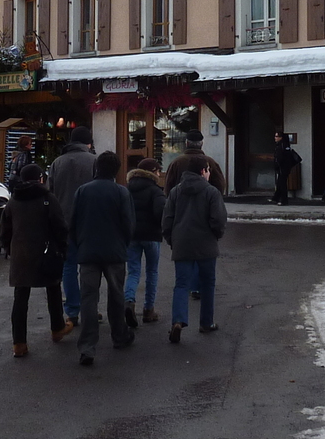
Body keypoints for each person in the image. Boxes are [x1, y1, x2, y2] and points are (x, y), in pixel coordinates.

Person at [0, 163, 73, 357]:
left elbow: (4, 229)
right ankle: (57, 328)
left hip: (21, 254)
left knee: (21, 298)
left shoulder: (14, 199)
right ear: (40, 178)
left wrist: (10, 248)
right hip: (46, 252)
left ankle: (19, 343)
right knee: (53, 289)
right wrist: (62, 247)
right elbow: (60, 226)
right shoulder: (48, 198)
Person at [68, 151, 135, 366]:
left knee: (88, 298)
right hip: (114, 252)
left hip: (88, 251)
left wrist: (79, 244)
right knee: (116, 296)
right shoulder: (121, 192)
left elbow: (74, 222)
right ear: (116, 170)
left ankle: (87, 346)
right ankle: (119, 336)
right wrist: (123, 243)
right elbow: (128, 224)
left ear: (96, 168)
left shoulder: (82, 191)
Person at [162, 160, 227, 343]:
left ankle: (178, 320)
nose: (209, 174)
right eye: (208, 170)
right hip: (206, 244)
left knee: (181, 284)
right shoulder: (211, 192)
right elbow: (219, 220)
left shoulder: (175, 191)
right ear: (202, 171)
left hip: (182, 243)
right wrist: (215, 236)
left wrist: (171, 240)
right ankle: (206, 322)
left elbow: (167, 220)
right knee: (207, 284)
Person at [46, 127, 97, 324]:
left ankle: (72, 311)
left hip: (64, 221)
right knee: (90, 267)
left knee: (69, 266)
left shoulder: (57, 162)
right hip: (90, 222)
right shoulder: (94, 161)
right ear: (88, 143)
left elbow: (50, 192)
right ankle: (90, 309)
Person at [124, 156, 165, 324]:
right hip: (151, 236)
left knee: (133, 271)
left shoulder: (126, 189)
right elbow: (161, 213)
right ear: (153, 172)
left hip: (132, 236)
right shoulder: (156, 190)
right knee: (152, 272)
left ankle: (129, 301)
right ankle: (149, 310)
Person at [164, 130, 226, 194]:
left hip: (181, 202)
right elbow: (220, 184)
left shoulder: (176, 162)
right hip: (205, 202)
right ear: (202, 144)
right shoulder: (210, 162)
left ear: (187, 143)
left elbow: (168, 186)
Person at [272, 131, 302, 205]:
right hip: (286, 167)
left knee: (282, 184)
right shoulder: (285, 145)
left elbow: (280, 158)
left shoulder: (281, 146)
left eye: (276, 136)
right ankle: (275, 198)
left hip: (282, 167)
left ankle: (284, 200)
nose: (275, 138)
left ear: (280, 138)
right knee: (280, 183)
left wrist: (277, 165)